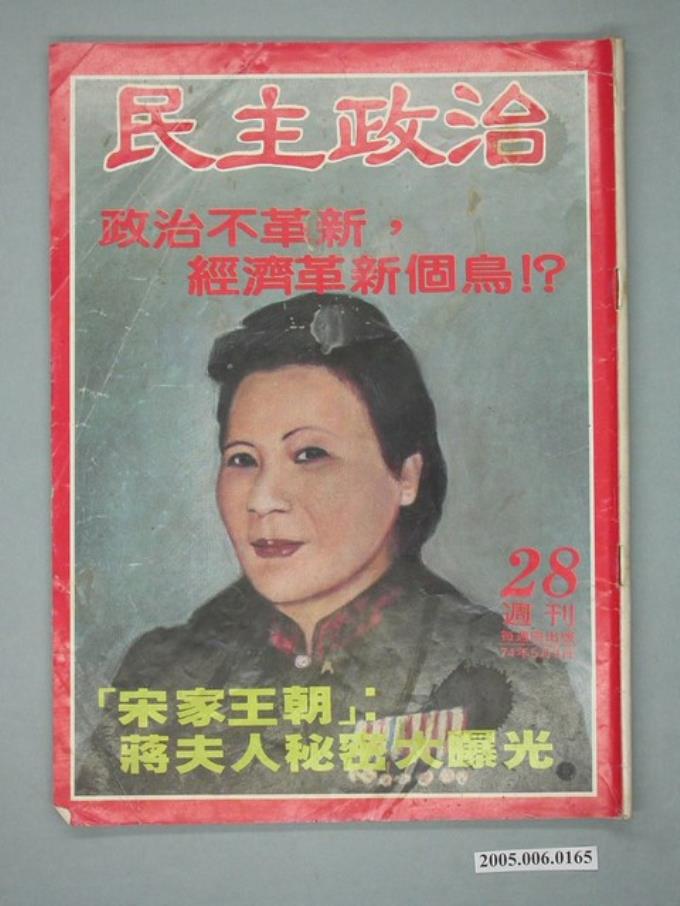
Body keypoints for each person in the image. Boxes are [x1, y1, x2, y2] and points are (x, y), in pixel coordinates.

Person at [77, 293, 591, 797]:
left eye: (310, 454)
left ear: (405, 476)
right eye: (242, 460)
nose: (263, 499)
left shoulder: (506, 679)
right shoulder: (161, 673)